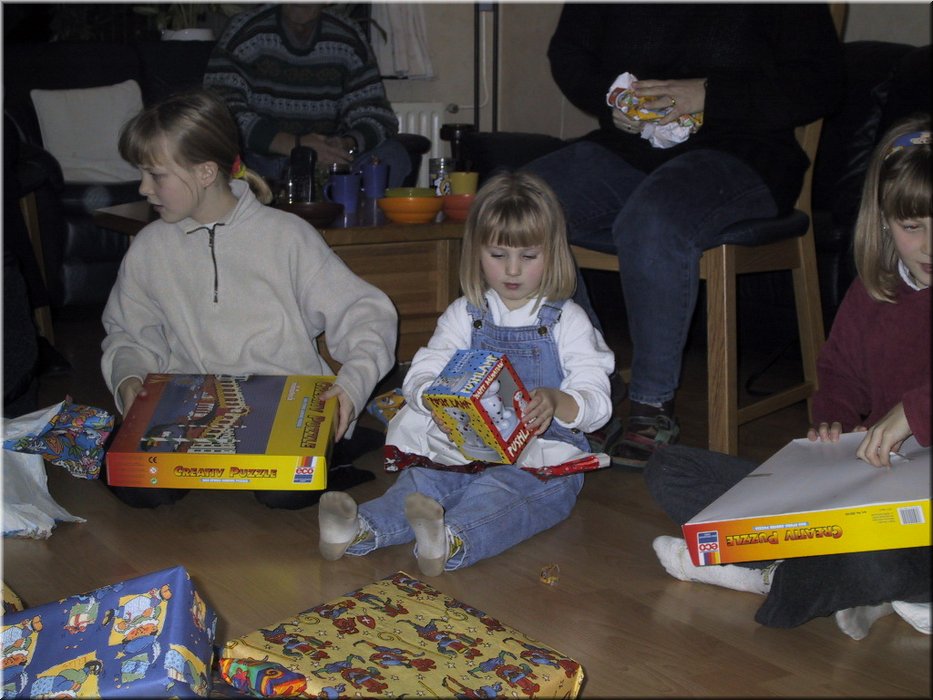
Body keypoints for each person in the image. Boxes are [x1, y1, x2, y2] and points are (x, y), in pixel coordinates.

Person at [643, 115, 931, 639]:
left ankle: (778, 571)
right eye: (913, 227)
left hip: (915, 516)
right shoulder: (874, 291)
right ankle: (822, 566)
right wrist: (832, 424)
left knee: (886, 555)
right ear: (885, 222)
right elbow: (840, 373)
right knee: (670, 469)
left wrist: (913, 413)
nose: (930, 245)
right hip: (868, 492)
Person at [524, 4, 845, 467]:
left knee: (654, 217)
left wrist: (709, 94)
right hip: (630, 146)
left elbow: (822, 81)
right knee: (523, 204)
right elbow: (571, 53)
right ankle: (593, 382)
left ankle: (652, 407)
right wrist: (611, 99)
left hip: (747, 150)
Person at [100, 89, 398, 509]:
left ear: (206, 172)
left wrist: (352, 385)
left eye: (156, 175)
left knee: (286, 491)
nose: (144, 187)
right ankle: (314, 455)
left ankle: (341, 448)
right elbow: (128, 333)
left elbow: (364, 313)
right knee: (132, 485)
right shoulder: (149, 247)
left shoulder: (287, 236)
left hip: (284, 409)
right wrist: (129, 378)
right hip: (191, 410)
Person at [317, 172, 615, 576]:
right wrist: (432, 400)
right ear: (476, 251)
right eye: (498, 255)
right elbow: (425, 367)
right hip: (467, 446)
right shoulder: (465, 314)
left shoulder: (567, 320)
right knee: (422, 481)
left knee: (506, 492)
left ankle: (451, 538)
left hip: (543, 454)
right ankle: (359, 528)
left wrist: (558, 401)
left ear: (554, 254)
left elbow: (596, 397)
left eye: (528, 257)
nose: (512, 270)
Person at [203, 3, 411, 188]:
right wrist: (296, 145)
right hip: (263, 163)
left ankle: (352, 215)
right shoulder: (245, 31)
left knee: (394, 156)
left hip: (330, 164)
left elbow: (377, 115)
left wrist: (346, 144)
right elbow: (220, 110)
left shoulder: (348, 37)